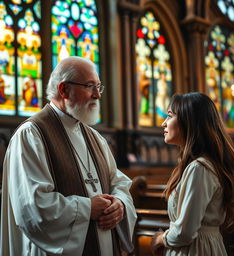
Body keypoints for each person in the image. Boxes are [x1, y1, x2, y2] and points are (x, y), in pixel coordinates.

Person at [0, 56, 137, 256]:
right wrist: (87, 208)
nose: (97, 95)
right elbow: (33, 207)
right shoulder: (32, 135)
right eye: (90, 86)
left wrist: (120, 204)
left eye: (99, 87)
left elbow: (118, 182)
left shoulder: (95, 137)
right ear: (64, 90)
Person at [151, 92, 234, 255]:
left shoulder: (199, 168)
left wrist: (161, 238)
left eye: (169, 116)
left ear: (189, 122)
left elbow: (185, 232)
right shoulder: (197, 166)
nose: (163, 123)